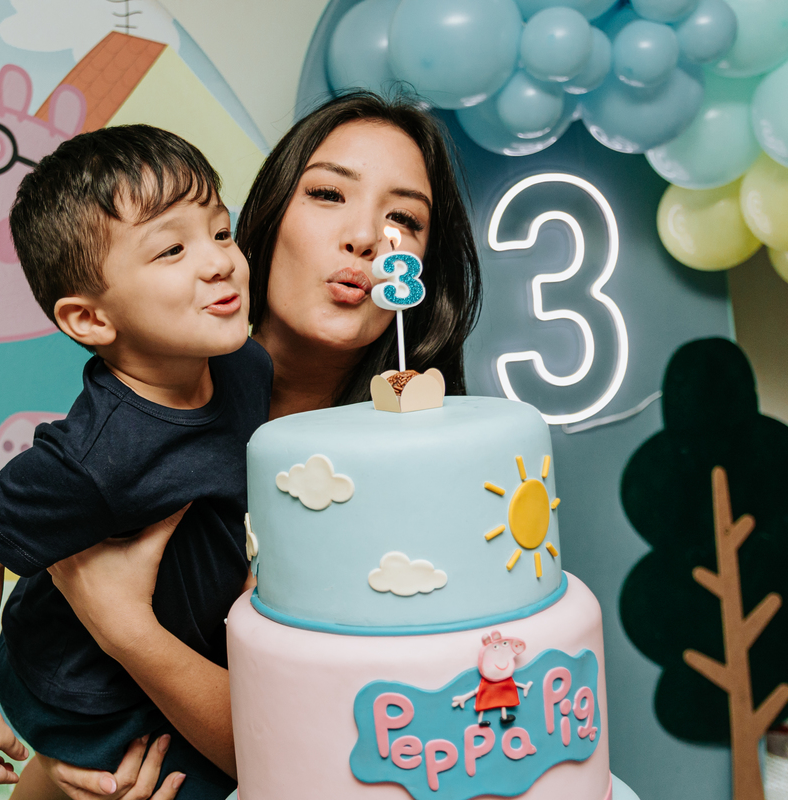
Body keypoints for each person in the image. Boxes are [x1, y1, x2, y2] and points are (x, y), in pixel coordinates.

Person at [31, 91, 482, 800]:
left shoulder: (415, 475)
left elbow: (331, 757)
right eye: (328, 194)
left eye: (405, 218)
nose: (366, 238)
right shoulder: (142, 416)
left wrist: (126, 628)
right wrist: (72, 765)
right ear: (265, 216)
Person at [0, 125, 272, 800]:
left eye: (220, 231)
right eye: (172, 248)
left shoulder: (245, 364)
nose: (218, 261)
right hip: (85, 691)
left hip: (184, 638)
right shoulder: (94, 458)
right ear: (91, 320)